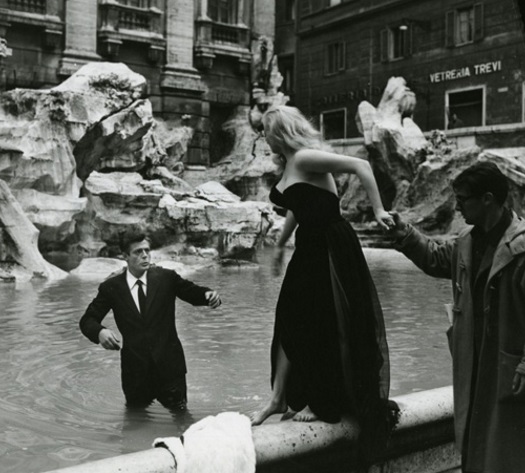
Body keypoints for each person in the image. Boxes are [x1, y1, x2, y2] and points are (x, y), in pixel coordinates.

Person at [389, 161, 525, 473]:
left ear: (487, 199)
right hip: (478, 364)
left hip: (513, 369)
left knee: (514, 455)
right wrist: (406, 235)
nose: (457, 207)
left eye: (463, 200)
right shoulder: (468, 240)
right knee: (481, 450)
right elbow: (437, 258)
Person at [251, 105, 397, 460]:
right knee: (289, 316)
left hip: (330, 245)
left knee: (323, 323)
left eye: (265, 131)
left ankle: (321, 401)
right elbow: (297, 207)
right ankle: (277, 397)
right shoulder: (291, 164)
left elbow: (360, 166)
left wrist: (379, 210)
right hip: (308, 247)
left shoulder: (304, 157)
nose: (263, 137)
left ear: (279, 132)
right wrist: (280, 244)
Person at [79, 232, 222, 411]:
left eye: (147, 250)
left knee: (181, 417)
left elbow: (192, 292)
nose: (145, 255)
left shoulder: (166, 278)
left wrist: (208, 295)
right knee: (134, 420)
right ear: (125, 256)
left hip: (170, 369)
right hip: (135, 373)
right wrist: (100, 332)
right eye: (138, 252)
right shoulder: (111, 287)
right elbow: (87, 320)